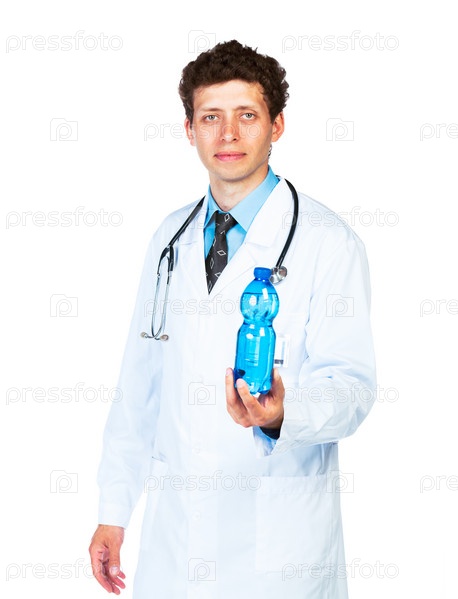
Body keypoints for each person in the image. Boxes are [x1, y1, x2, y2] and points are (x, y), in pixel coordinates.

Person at [89, 39, 376, 599]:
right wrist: (113, 510)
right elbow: (139, 385)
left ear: (277, 125)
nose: (227, 134)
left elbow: (353, 388)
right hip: (176, 545)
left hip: (280, 550)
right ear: (189, 129)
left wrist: (282, 413)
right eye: (210, 117)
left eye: (246, 115)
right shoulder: (169, 240)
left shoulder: (328, 243)